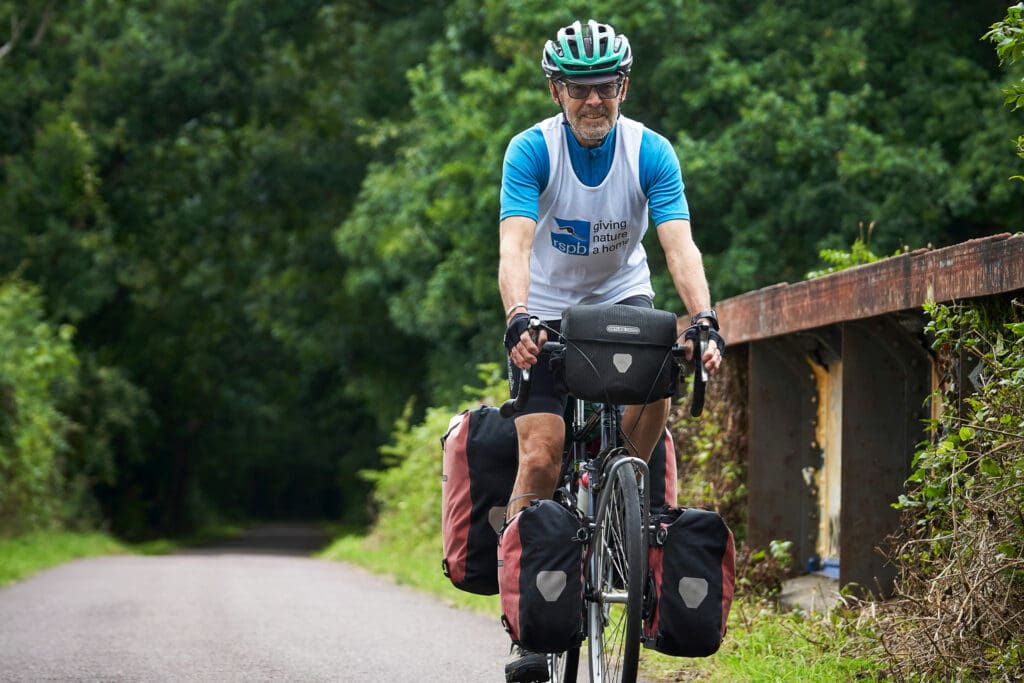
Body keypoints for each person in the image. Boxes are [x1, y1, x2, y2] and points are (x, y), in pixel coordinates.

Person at [497, 19, 725, 682]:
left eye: (605, 87)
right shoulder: (531, 151)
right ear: (557, 88)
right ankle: (527, 625)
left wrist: (703, 317)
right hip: (542, 307)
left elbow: (679, 246)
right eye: (579, 89)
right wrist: (517, 317)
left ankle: (623, 504)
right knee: (540, 453)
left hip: (623, 302)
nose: (593, 101)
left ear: (622, 84)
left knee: (658, 381)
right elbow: (513, 247)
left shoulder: (650, 152)